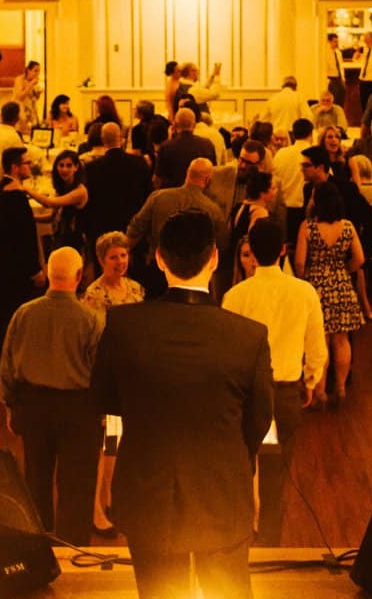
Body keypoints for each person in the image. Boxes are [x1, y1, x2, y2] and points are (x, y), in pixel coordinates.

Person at [91, 209, 273, 599]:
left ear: (158, 258)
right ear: (214, 259)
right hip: (221, 491)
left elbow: (104, 400)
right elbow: (257, 423)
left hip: (147, 490)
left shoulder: (123, 325)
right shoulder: (248, 336)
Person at [222, 217, 326, 547]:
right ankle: (269, 547)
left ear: (251, 250)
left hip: (245, 395)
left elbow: (227, 352)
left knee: (241, 470)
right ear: (284, 250)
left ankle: (238, 542)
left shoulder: (236, 295)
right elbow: (316, 346)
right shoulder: (304, 292)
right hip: (283, 393)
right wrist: (310, 381)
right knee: (275, 475)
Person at [0, 246, 103, 543]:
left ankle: (38, 543)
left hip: (33, 405)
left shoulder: (24, 314)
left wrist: (10, 407)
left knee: (36, 477)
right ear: (80, 275)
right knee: (76, 483)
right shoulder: (91, 320)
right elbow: (99, 374)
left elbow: (7, 364)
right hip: (78, 409)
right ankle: (73, 546)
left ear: (47, 274)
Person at [296, 181, 364, 407]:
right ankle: (342, 388)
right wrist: (344, 271)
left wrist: (305, 278)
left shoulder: (308, 227)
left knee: (320, 341)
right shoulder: (347, 226)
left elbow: (299, 262)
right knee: (342, 340)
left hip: (316, 285)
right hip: (341, 283)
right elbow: (360, 259)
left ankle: (321, 391)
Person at [126, 157, 228, 299]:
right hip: (196, 275)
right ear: (207, 180)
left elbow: (135, 229)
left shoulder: (159, 197)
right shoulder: (213, 210)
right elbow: (222, 244)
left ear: (188, 174)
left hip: (158, 268)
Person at [0, 147, 47, 361]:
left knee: (2, 315)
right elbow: (25, 237)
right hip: (19, 267)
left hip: (0, 262)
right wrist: (35, 269)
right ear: (15, 166)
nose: (30, 166)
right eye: (27, 163)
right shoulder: (17, 196)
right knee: (19, 315)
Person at [80, 123, 154, 260]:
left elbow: (88, 202)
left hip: (103, 225)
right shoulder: (139, 163)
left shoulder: (92, 168)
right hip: (133, 225)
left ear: (102, 139)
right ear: (121, 138)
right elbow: (148, 196)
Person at [152, 107, 214, 189]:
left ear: (175, 125)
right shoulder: (207, 145)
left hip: (173, 196)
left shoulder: (166, 147)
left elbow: (157, 180)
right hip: (200, 194)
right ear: (194, 125)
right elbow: (213, 175)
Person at [10, 60, 44, 133]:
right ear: (28, 70)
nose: (37, 74)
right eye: (35, 71)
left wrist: (38, 94)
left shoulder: (35, 81)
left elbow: (34, 99)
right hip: (20, 108)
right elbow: (20, 97)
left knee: (32, 131)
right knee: (21, 131)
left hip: (30, 109)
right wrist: (31, 84)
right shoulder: (19, 79)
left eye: (39, 71)